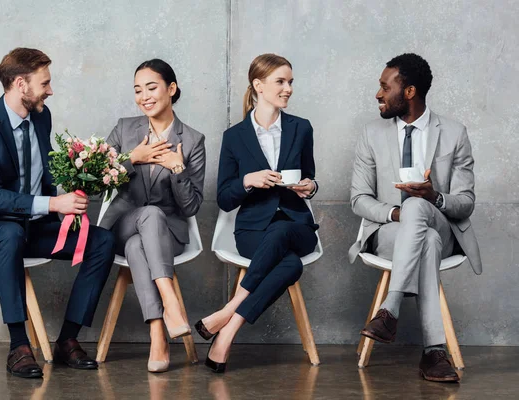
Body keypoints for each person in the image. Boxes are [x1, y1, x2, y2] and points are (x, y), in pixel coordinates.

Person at [0, 48, 116, 378]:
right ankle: (18, 347)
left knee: (103, 240)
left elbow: (44, 168)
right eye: (45, 83)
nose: (50, 91)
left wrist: (82, 177)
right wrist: (55, 204)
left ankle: (67, 340)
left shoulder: (41, 115)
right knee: (10, 233)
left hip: (36, 228)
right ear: (20, 83)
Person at [349, 53, 482, 383]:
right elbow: (359, 199)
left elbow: (465, 203)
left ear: (409, 91)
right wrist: (396, 212)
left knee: (421, 208)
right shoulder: (371, 134)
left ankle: (390, 307)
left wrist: (433, 196)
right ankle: (434, 353)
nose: (378, 94)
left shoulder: (453, 133)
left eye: (384, 87)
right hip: (391, 232)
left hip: (440, 223)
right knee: (424, 235)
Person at [196, 53, 319, 373]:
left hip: (296, 224)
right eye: (281, 81)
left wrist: (310, 187)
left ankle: (228, 313)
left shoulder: (302, 128)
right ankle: (227, 335)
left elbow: (310, 177)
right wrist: (248, 181)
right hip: (252, 230)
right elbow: (224, 198)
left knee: (281, 233)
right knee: (290, 265)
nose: (288, 88)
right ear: (258, 85)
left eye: (291, 82)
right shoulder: (234, 137)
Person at [99, 59, 206, 373]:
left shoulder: (194, 140)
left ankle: (158, 332)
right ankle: (170, 301)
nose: (143, 96)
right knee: (146, 216)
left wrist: (177, 169)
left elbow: (190, 208)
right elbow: (96, 178)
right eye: (137, 90)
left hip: (166, 233)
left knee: (138, 245)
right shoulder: (123, 129)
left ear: (171, 89)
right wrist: (133, 158)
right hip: (122, 223)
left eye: (151, 87)